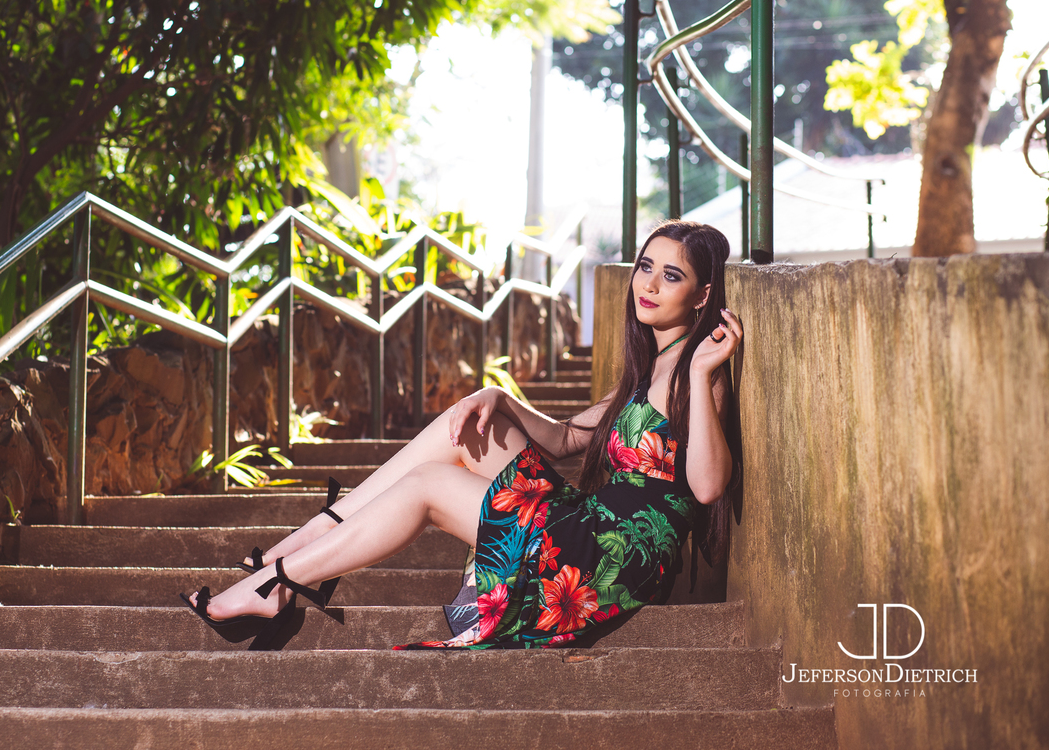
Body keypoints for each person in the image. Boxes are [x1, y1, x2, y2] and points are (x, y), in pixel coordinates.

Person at [183, 219, 742, 650]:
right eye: (646, 267)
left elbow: (708, 487)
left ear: (702, 294)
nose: (648, 284)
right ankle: (300, 544)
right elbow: (569, 438)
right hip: (587, 527)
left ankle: (278, 581)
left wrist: (700, 373)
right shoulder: (645, 373)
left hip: (607, 558)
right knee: (467, 428)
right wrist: (499, 397)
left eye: (672, 275)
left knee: (429, 484)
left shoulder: (696, 372)